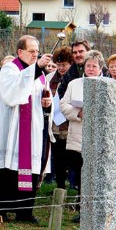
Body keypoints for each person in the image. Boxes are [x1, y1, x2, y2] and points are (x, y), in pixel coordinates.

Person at [0, 35, 54, 223]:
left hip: (31, 128)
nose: (36, 54)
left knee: (30, 171)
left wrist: (47, 102)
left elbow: (42, 93)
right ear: (20, 52)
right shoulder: (10, 69)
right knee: (7, 171)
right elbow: (12, 95)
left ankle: (25, 212)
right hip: (11, 129)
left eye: (37, 51)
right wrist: (36, 68)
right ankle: (2, 210)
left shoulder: (39, 73)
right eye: (32, 51)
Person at [59, 50, 116, 221]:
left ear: (100, 67)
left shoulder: (110, 84)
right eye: (88, 66)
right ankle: (83, 209)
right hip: (78, 136)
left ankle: (99, 209)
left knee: (98, 175)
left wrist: (101, 113)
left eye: (94, 66)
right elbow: (63, 104)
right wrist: (79, 113)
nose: (90, 69)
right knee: (82, 174)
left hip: (100, 137)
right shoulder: (74, 84)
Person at [46, 46, 73, 188]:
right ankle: (60, 186)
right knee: (58, 158)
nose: (61, 68)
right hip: (55, 124)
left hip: (70, 125)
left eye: (64, 65)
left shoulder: (74, 78)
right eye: (59, 65)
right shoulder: (49, 78)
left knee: (72, 158)